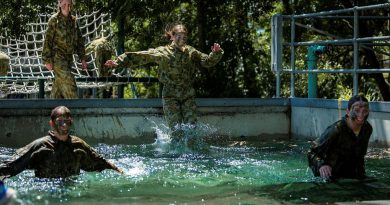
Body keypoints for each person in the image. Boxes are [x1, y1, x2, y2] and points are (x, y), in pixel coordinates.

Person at [105, 23, 224, 140]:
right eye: (178, 36)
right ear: (172, 36)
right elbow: (141, 56)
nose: (182, 39)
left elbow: (207, 61)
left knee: (191, 129)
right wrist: (118, 62)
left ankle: (190, 154)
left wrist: (215, 53)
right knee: (176, 131)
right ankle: (175, 154)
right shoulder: (163, 52)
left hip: (188, 93)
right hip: (170, 95)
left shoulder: (191, 51)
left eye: (184, 36)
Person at [0, 106, 123, 179]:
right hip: (46, 191)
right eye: (60, 122)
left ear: (71, 122)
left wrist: (121, 173)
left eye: (67, 121)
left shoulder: (78, 145)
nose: (64, 125)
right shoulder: (40, 146)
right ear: (52, 123)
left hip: (72, 189)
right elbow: (11, 165)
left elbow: (99, 161)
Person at [307, 95, 372, 180]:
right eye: (357, 110)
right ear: (348, 112)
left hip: (353, 175)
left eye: (365, 111)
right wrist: (322, 165)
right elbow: (311, 152)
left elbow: (361, 156)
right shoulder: (336, 129)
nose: (361, 114)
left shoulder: (367, 129)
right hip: (331, 175)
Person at [42, 0, 87, 99]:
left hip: (68, 59)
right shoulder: (54, 20)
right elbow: (47, 41)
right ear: (59, 4)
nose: (67, 7)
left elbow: (79, 41)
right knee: (70, 84)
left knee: (58, 90)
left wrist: (82, 58)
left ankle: (51, 110)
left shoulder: (74, 21)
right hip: (57, 58)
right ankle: (77, 110)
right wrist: (47, 60)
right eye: (65, 4)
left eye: (69, 4)